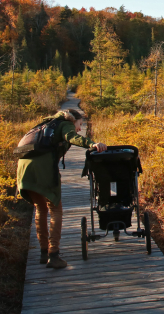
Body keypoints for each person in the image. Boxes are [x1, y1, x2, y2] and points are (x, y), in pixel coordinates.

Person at [16, 108, 107, 269]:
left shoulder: (47, 122)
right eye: (80, 124)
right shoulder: (66, 123)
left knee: (40, 209)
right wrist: (92, 144)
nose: (79, 128)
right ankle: (54, 255)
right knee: (55, 209)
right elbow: (71, 137)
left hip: (24, 168)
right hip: (43, 168)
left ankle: (44, 253)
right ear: (74, 120)